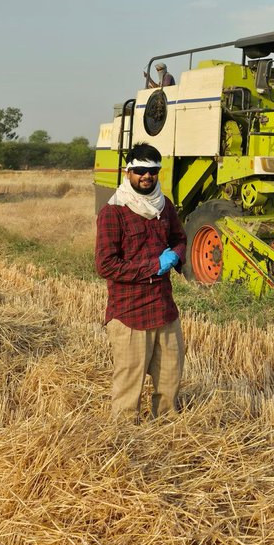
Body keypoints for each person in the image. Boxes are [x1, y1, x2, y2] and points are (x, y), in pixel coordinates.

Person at [95, 142, 186, 422]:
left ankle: (167, 435)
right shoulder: (114, 211)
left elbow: (179, 238)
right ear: (128, 171)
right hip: (129, 313)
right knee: (127, 393)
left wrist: (175, 256)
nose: (147, 176)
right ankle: (125, 445)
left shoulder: (164, 205)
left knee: (170, 382)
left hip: (164, 309)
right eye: (140, 170)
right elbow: (106, 265)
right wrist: (153, 267)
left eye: (153, 171)